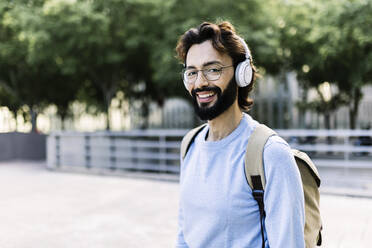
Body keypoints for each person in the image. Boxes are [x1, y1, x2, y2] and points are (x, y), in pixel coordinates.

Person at [175, 21, 305, 248]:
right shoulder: (190, 144)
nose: (200, 82)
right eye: (192, 72)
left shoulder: (270, 153)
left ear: (241, 74)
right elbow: (185, 234)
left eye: (213, 70)